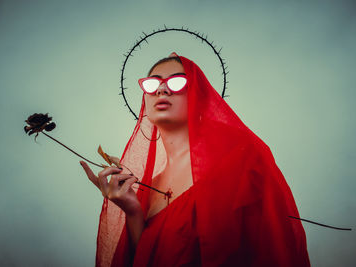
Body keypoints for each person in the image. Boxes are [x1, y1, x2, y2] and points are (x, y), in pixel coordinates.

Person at [80, 52, 311, 266]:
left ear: (198, 93)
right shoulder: (147, 191)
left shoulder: (241, 159)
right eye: (153, 83)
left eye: (177, 81)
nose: (162, 90)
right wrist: (133, 212)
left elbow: (275, 249)